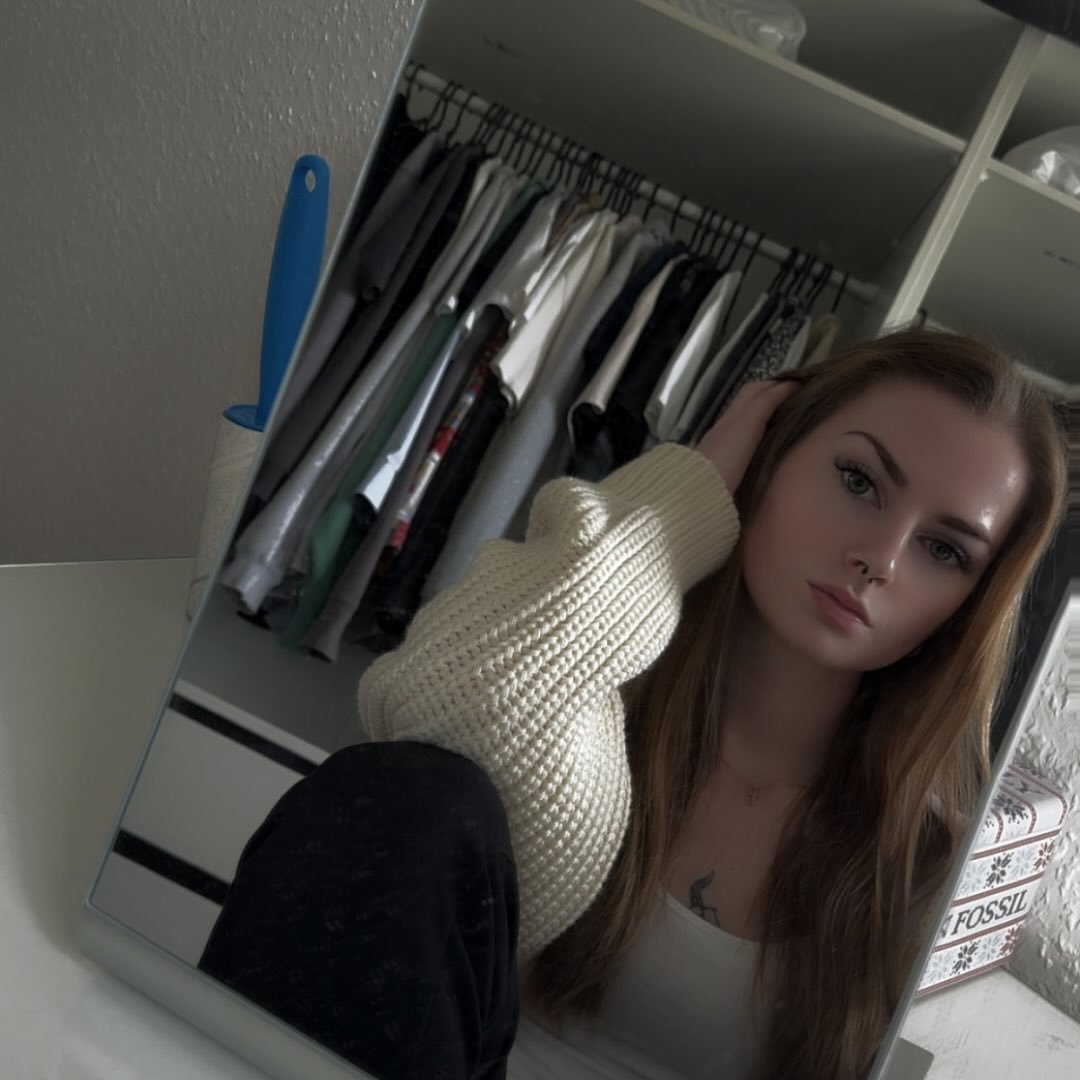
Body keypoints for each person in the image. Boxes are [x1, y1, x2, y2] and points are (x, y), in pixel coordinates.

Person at [198, 328, 1068, 1080]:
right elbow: (429, 717)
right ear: (769, 455)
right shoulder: (591, 698)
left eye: (946, 552)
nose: (880, 556)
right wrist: (682, 495)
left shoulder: (926, 861)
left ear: (972, 605)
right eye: (858, 480)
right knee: (408, 798)